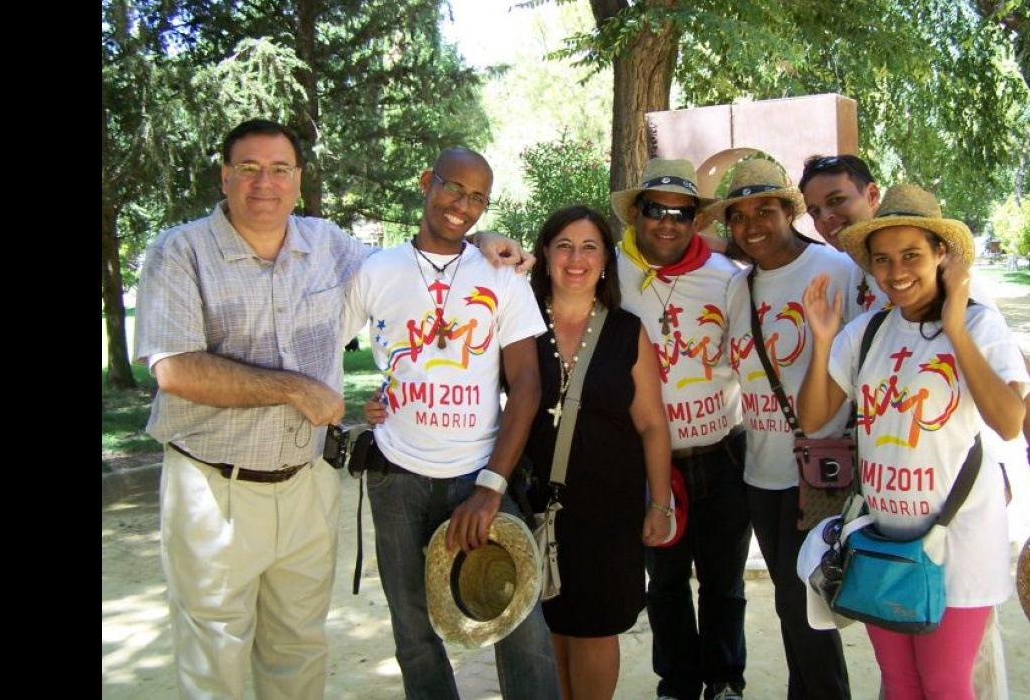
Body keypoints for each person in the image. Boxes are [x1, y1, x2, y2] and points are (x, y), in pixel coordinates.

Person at [132, 120, 529, 699]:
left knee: (298, 650)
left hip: (307, 486)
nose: (264, 182)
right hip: (212, 490)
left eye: (280, 169)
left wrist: (482, 236)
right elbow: (174, 369)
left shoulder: (331, 247)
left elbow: (426, 253)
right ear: (225, 176)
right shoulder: (179, 252)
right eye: (248, 168)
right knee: (213, 656)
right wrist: (297, 389)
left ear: (297, 180)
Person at [798, 154, 1030, 699]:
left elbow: (1007, 419)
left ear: (941, 254)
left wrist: (954, 326)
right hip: (884, 537)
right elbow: (814, 419)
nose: (897, 271)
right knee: (899, 682)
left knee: (948, 683)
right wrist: (824, 339)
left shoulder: (976, 318)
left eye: (911, 256)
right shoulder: (867, 331)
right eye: (883, 260)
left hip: (958, 538)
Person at [340, 147, 559, 699]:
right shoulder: (376, 269)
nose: (462, 205)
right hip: (395, 476)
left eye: (477, 197)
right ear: (425, 182)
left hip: (480, 474)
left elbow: (527, 387)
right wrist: (350, 410)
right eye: (452, 188)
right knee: (414, 632)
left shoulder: (501, 274)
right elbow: (321, 346)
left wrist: (491, 487)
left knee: (523, 627)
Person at [707, 157, 856, 700]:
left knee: (807, 606)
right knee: (790, 604)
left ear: (789, 210)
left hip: (818, 471)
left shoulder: (835, 269)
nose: (751, 226)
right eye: (739, 216)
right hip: (761, 471)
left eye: (764, 210)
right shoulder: (738, 287)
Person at [520, 204, 674, 699]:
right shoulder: (517, 324)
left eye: (590, 247)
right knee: (552, 625)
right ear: (545, 253)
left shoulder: (627, 331)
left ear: (606, 260)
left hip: (608, 511)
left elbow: (652, 424)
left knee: (593, 628)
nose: (576, 258)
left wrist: (660, 502)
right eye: (563, 245)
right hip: (534, 504)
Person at [610, 158, 750, 700]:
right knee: (664, 580)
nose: (667, 223)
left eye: (681, 213)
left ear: (696, 221)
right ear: (637, 214)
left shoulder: (728, 279)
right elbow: (547, 258)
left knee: (724, 581)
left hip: (722, 451)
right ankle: (677, 682)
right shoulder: (611, 273)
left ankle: (724, 681)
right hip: (651, 460)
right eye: (655, 210)